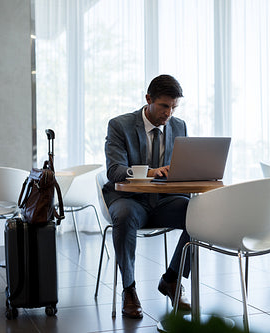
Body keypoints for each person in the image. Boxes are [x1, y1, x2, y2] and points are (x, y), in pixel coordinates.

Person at [103, 74, 191, 319]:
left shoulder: (179, 126)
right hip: (131, 200)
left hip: (163, 200)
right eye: (164, 106)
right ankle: (129, 289)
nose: (169, 114)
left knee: (200, 216)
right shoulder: (120, 125)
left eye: (174, 107)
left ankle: (171, 279)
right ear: (148, 99)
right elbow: (114, 171)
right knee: (124, 215)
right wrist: (149, 172)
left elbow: (181, 166)